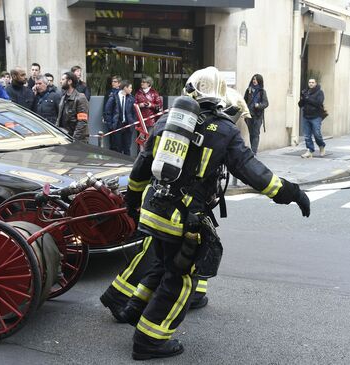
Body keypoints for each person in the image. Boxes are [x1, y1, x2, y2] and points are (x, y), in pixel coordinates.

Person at [108, 66, 310, 360]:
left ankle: (132, 310)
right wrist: (292, 193)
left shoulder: (167, 120)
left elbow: (141, 165)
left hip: (152, 209)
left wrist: (133, 200)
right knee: (181, 278)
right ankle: (149, 341)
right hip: (182, 217)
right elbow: (254, 173)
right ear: (219, 95)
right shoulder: (224, 130)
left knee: (164, 266)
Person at [98, 84, 253, 325]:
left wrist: (134, 198)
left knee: (170, 254)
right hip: (171, 206)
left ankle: (190, 294)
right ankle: (118, 297)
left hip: (167, 202)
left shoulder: (180, 123)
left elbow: (142, 165)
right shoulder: (206, 128)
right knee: (155, 257)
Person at [103, 79, 136, 155]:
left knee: (127, 147)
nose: (131, 90)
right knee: (117, 147)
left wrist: (133, 122)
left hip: (128, 125)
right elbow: (107, 112)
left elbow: (134, 112)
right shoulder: (114, 97)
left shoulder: (131, 98)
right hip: (117, 125)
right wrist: (110, 125)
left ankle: (128, 164)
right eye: (130, 88)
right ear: (125, 88)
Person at [56, 71, 89, 142]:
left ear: (70, 81)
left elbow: (82, 122)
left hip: (76, 140)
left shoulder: (80, 98)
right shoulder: (63, 98)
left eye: (63, 79)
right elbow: (59, 119)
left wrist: (74, 139)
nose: (60, 81)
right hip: (64, 138)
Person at [298, 78, 326, 158]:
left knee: (317, 134)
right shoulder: (305, 92)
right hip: (306, 116)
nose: (311, 84)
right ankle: (310, 150)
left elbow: (318, 103)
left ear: (316, 83)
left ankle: (321, 146)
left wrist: (307, 98)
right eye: (309, 82)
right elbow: (300, 105)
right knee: (307, 135)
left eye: (312, 82)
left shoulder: (319, 92)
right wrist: (302, 98)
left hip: (316, 116)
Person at [135, 76, 163, 149]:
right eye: (141, 82)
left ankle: (148, 155)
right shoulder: (138, 93)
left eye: (144, 82)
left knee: (150, 140)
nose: (142, 83)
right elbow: (134, 105)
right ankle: (141, 155)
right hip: (141, 121)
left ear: (149, 84)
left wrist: (151, 105)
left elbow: (159, 106)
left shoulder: (154, 93)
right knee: (141, 140)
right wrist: (140, 105)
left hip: (151, 121)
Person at [243, 74, 268, 154]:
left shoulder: (262, 92)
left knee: (256, 133)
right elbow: (244, 101)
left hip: (258, 116)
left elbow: (266, 103)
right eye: (253, 79)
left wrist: (259, 105)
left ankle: (253, 151)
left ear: (259, 81)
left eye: (256, 80)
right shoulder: (248, 90)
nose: (254, 81)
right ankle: (252, 150)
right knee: (251, 133)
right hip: (249, 115)